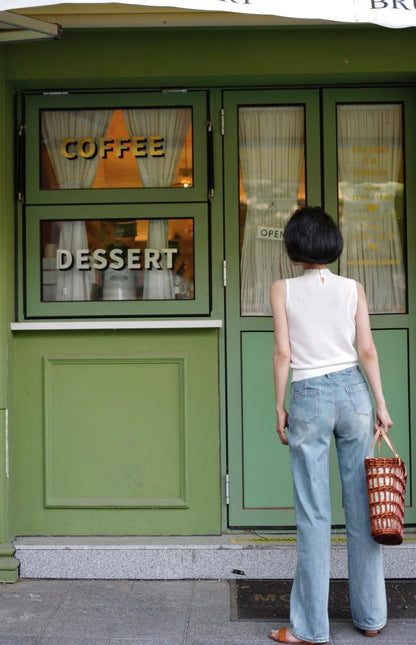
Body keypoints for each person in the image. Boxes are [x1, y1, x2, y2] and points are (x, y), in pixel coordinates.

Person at [269, 206, 393, 645]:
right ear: (332, 244)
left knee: (314, 514)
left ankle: (309, 628)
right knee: (363, 509)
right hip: (354, 393)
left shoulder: (282, 289)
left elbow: (283, 354)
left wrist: (279, 405)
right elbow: (369, 351)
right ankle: (372, 617)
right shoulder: (352, 288)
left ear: (294, 246)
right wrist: (380, 404)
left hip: (309, 395)